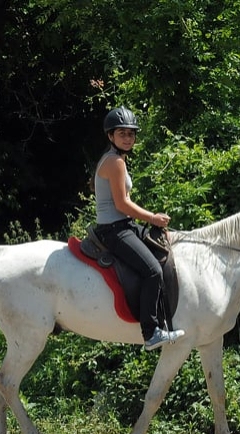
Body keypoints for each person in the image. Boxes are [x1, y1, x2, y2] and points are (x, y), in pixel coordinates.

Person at [93, 106, 185, 350]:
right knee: (153, 270)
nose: (127, 138)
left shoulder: (116, 159)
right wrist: (152, 218)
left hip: (124, 225)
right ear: (110, 136)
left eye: (131, 134)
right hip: (115, 230)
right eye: (122, 133)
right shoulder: (115, 162)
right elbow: (122, 204)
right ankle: (151, 332)